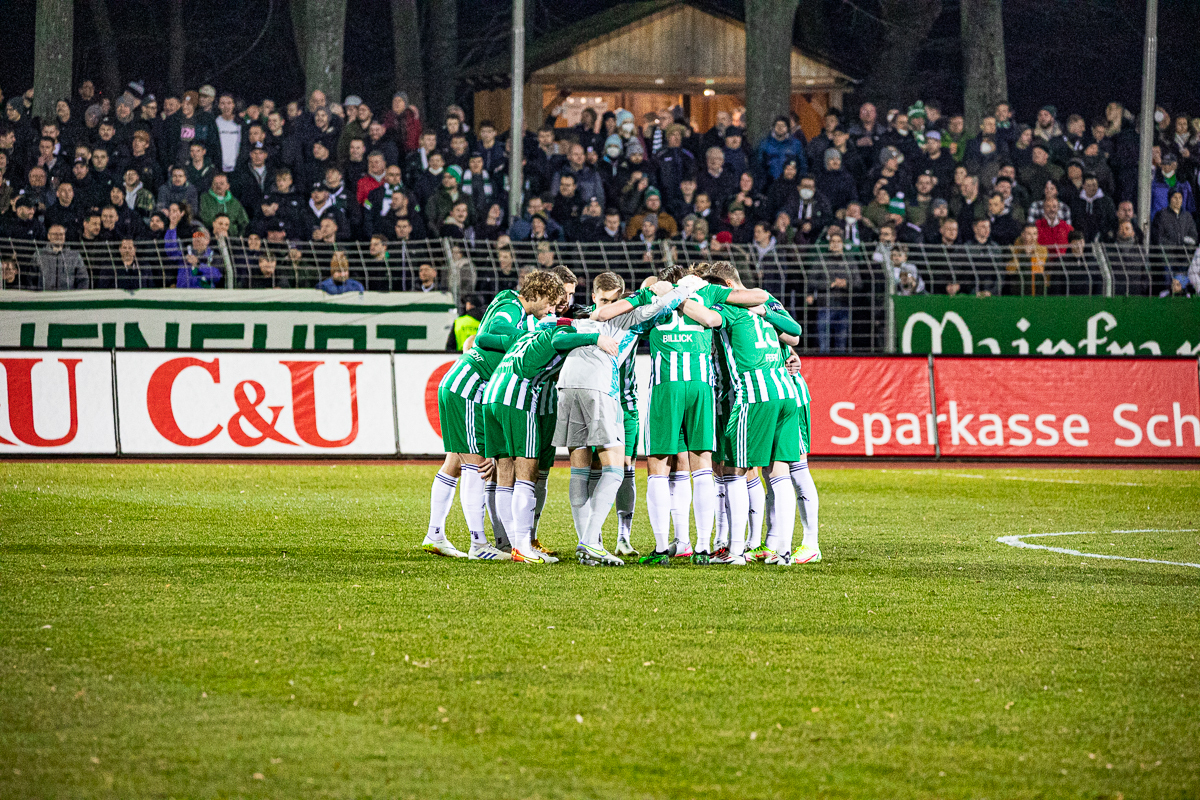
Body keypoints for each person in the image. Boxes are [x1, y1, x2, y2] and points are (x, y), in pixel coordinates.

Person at [592, 265, 768, 565]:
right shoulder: (706, 292)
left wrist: (655, 294)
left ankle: (662, 548)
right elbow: (759, 296)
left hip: (667, 387)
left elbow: (604, 314)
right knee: (702, 465)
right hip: (701, 386)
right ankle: (702, 548)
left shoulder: (654, 297)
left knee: (658, 466)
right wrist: (693, 292)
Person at [556, 272, 702, 565]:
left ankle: (608, 539)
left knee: (590, 468)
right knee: (610, 468)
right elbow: (660, 306)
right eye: (604, 300)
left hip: (581, 389)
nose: (609, 305)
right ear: (595, 297)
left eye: (614, 300)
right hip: (601, 390)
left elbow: (556, 338)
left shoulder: (577, 317)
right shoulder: (617, 317)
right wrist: (679, 289)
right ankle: (591, 540)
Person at [480, 275, 619, 564]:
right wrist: (596, 338)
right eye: (554, 304)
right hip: (516, 396)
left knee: (505, 473)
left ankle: (511, 544)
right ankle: (522, 546)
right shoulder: (557, 328)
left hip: (493, 392)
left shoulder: (530, 328)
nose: (555, 310)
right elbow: (559, 338)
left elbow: (485, 339)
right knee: (527, 472)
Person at [35, 224, 89, 290]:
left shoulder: (75, 256)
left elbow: (83, 280)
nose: (58, 237)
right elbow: (31, 280)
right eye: (55, 234)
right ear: (48, 236)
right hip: (44, 295)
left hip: (68, 296)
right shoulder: (39, 255)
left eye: (61, 234)